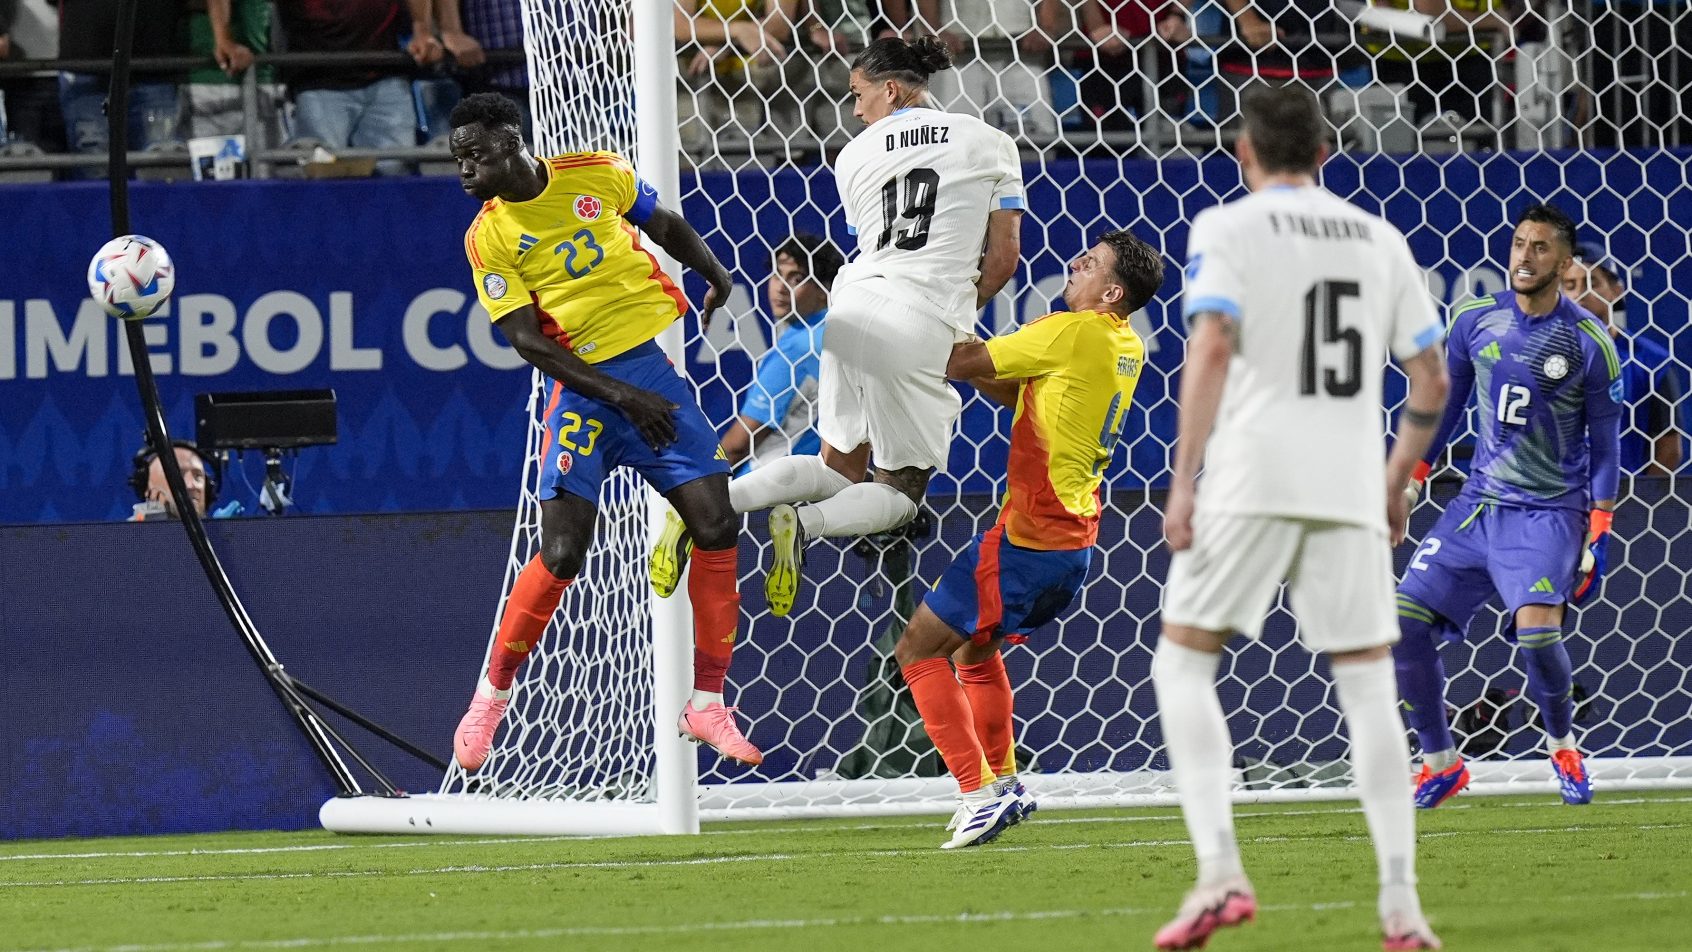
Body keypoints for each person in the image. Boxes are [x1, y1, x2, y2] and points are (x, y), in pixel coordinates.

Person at [1155, 85, 1448, 950]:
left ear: (1243, 150)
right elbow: (1429, 379)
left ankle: (1219, 873)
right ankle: (1402, 907)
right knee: (1367, 688)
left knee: (1183, 666)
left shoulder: (1227, 229)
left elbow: (1211, 345)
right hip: (1350, 484)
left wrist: (1183, 480)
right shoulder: (1379, 238)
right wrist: (1396, 480)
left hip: (1252, 475)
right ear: (1327, 151)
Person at [446, 93, 761, 771]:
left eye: (476, 153)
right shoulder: (488, 237)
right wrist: (623, 396)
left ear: (514, 143)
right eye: (457, 157)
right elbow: (529, 344)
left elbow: (666, 224)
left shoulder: (597, 172)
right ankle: (490, 696)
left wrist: (713, 271)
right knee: (562, 554)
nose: (465, 169)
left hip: (650, 373)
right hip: (584, 393)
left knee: (716, 524)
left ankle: (707, 703)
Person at [659, 36, 1022, 618]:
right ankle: (802, 525)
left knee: (838, 466)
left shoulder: (851, 156)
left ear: (892, 90)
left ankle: (713, 501)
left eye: (858, 95)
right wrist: (952, 307)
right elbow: (1003, 258)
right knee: (901, 494)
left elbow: (883, 240)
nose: (855, 110)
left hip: (850, 304)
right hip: (920, 311)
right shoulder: (992, 143)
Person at [892, 230, 1159, 849]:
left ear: (1111, 291)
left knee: (917, 650)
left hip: (1027, 540)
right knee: (974, 655)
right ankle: (1006, 785)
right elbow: (1018, 387)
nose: (1075, 263)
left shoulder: (1072, 330)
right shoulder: (1125, 345)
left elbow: (960, 364)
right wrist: (983, 358)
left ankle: (976, 793)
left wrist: (929, 301)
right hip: (1071, 548)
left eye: (1089, 263)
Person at [1395, 203, 1624, 813]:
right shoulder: (1475, 321)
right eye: (1520, 243)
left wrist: (1597, 532)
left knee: (1537, 638)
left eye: (1541, 247)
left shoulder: (1588, 342)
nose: (1525, 256)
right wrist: (1415, 474)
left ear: (1566, 262)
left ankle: (1562, 745)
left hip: (1549, 511)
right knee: (1402, 624)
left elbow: (1606, 446)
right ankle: (1442, 761)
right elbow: (1445, 407)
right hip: (1477, 504)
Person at [274, 0, 443, 176]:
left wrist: (422, 28)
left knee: (395, 175)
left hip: (387, 76)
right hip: (319, 80)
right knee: (319, 179)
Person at [1562, 243, 1683, 475]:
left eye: (1592, 283)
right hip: (1559, 504)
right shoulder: (1545, 359)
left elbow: (1669, 448)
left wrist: (1639, 503)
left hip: (1625, 502)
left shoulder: (1650, 362)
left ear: (1616, 290)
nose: (1580, 294)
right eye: (1570, 285)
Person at [724, 233, 841, 472]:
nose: (781, 288)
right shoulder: (837, 336)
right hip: (817, 487)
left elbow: (738, 444)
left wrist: (699, 485)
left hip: (764, 494)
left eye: (796, 278)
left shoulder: (798, 347)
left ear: (824, 288)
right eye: (777, 275)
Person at [126, 440, 236, 521]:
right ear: (147, 487)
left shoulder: (222, 543)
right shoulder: (127, 542)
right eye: (178, 475)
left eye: (197, 476)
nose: (191, 485)